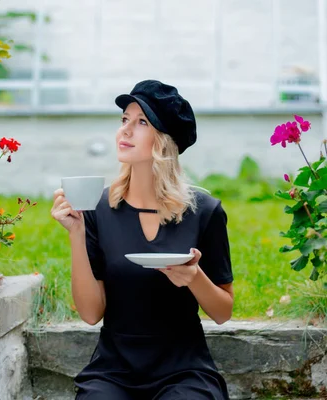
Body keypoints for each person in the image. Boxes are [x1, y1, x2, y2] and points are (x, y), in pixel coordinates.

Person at [50, 80, 234, 400]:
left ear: (164, 141)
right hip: (113, 371)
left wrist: (194, 276)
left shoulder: (205, 212)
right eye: (124, 120)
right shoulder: (98, 209)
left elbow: (223, 311)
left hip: (185, 370)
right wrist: (76, 233)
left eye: (141, 122)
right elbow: (91, 314)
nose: (125, 130)